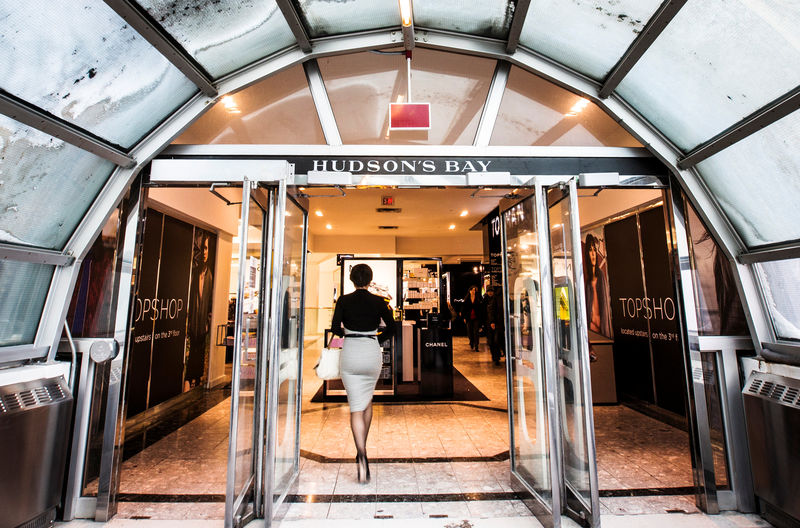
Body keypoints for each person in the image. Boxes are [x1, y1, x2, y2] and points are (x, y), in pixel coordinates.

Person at [330, 264, 395, 483]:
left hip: (351, 351)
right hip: (370, 351)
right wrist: (376, 338)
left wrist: (347, 334)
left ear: (351, 279)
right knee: (367, 402)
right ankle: (362, 449)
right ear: (370, 279)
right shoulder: (379, 301)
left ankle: (361, 453)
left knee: (355, 406)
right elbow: (392, 328)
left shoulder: (344, 301)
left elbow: (335, 328)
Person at [186, 232, 214, 390]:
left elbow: (209, 302)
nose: (203, 253)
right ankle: (189, 379)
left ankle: (197, 378)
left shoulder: (209, 275)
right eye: (201, 248)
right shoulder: (194, 274)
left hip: (202, 324)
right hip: (193, 323)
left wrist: (208, 322)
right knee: (192, 352)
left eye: (206, 248)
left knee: (200, 350)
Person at [583, 234, 612, 338]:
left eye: (594, 250)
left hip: (602, 328)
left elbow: (605, 308)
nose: (594, 254)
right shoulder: (587, 282)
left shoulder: (601, 277)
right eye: (590, 250)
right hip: (591, 328)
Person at [484, 285, 505, 365]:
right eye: (489, 291)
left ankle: (498, 356)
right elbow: (490, 311)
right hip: (492, 323)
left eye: (491, 291)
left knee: (498, 340)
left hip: (498, 323)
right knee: (493, 341)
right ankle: (496, 357)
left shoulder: (500, 298)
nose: (490, 293)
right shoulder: (493, 299)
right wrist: (491, 322)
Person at [460, 285, 484, 351]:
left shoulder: (478, 297)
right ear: (470, 291)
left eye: (474, 290)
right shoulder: (467, 298)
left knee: (476, 331)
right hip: (468, 317)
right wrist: (464, 317)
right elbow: (464, 308)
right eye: (472, 290)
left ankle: (476, 346)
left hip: (476, 317)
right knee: (469, 331)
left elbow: (481, 307)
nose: (473, 291)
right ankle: (471, 342)